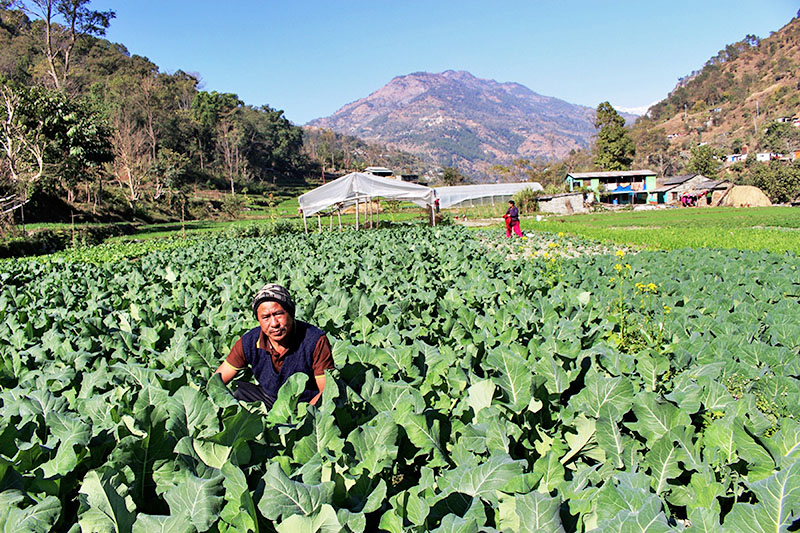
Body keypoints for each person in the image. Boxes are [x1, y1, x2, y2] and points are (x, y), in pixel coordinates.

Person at [214, 283, 334, 407]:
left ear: (291, 313)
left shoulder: (314, 340)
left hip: (304, 404)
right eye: (266, 317)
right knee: (238, 392)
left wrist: (304, 417)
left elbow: (326, 390)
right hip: (268, 399)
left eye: (278, 314)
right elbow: (217, 380)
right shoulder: (249, 342)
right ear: (259, 320)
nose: (274, 323)